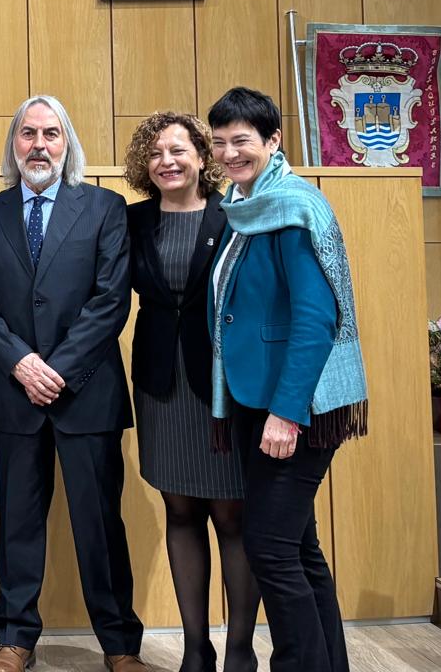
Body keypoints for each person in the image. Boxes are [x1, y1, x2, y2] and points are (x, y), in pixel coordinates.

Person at [0, 96, 145, 672]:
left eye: (51, 134)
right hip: (17, 394)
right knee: (18, 522)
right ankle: (14, 639)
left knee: (100, 525)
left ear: (67, 144)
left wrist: (57, 369)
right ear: (13, 144)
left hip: (86, 394)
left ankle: (119, 646)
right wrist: (20, 363)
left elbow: (111, 300)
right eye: (27, 134)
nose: (38, 144)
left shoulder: (104, 208)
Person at [207, 87, 367, 672]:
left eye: (242, 141)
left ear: (274, 141)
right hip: (258, 399)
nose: (229, 152)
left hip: (294, 406)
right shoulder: (246, 204)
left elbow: (316, 318)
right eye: (220, 142)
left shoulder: (295, 206)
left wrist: (287, 411)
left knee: (270, 549)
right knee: (299, 548)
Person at [122, 113, 257, 672]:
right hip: (159, 383)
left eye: (178, 150)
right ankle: (196, 650)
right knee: (179, 510)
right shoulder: (131, 221)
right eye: (154, 153)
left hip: (224, 385)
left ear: (204, 157)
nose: (167, 161)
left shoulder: (235, 218)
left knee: (231, 516)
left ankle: (241, 651)